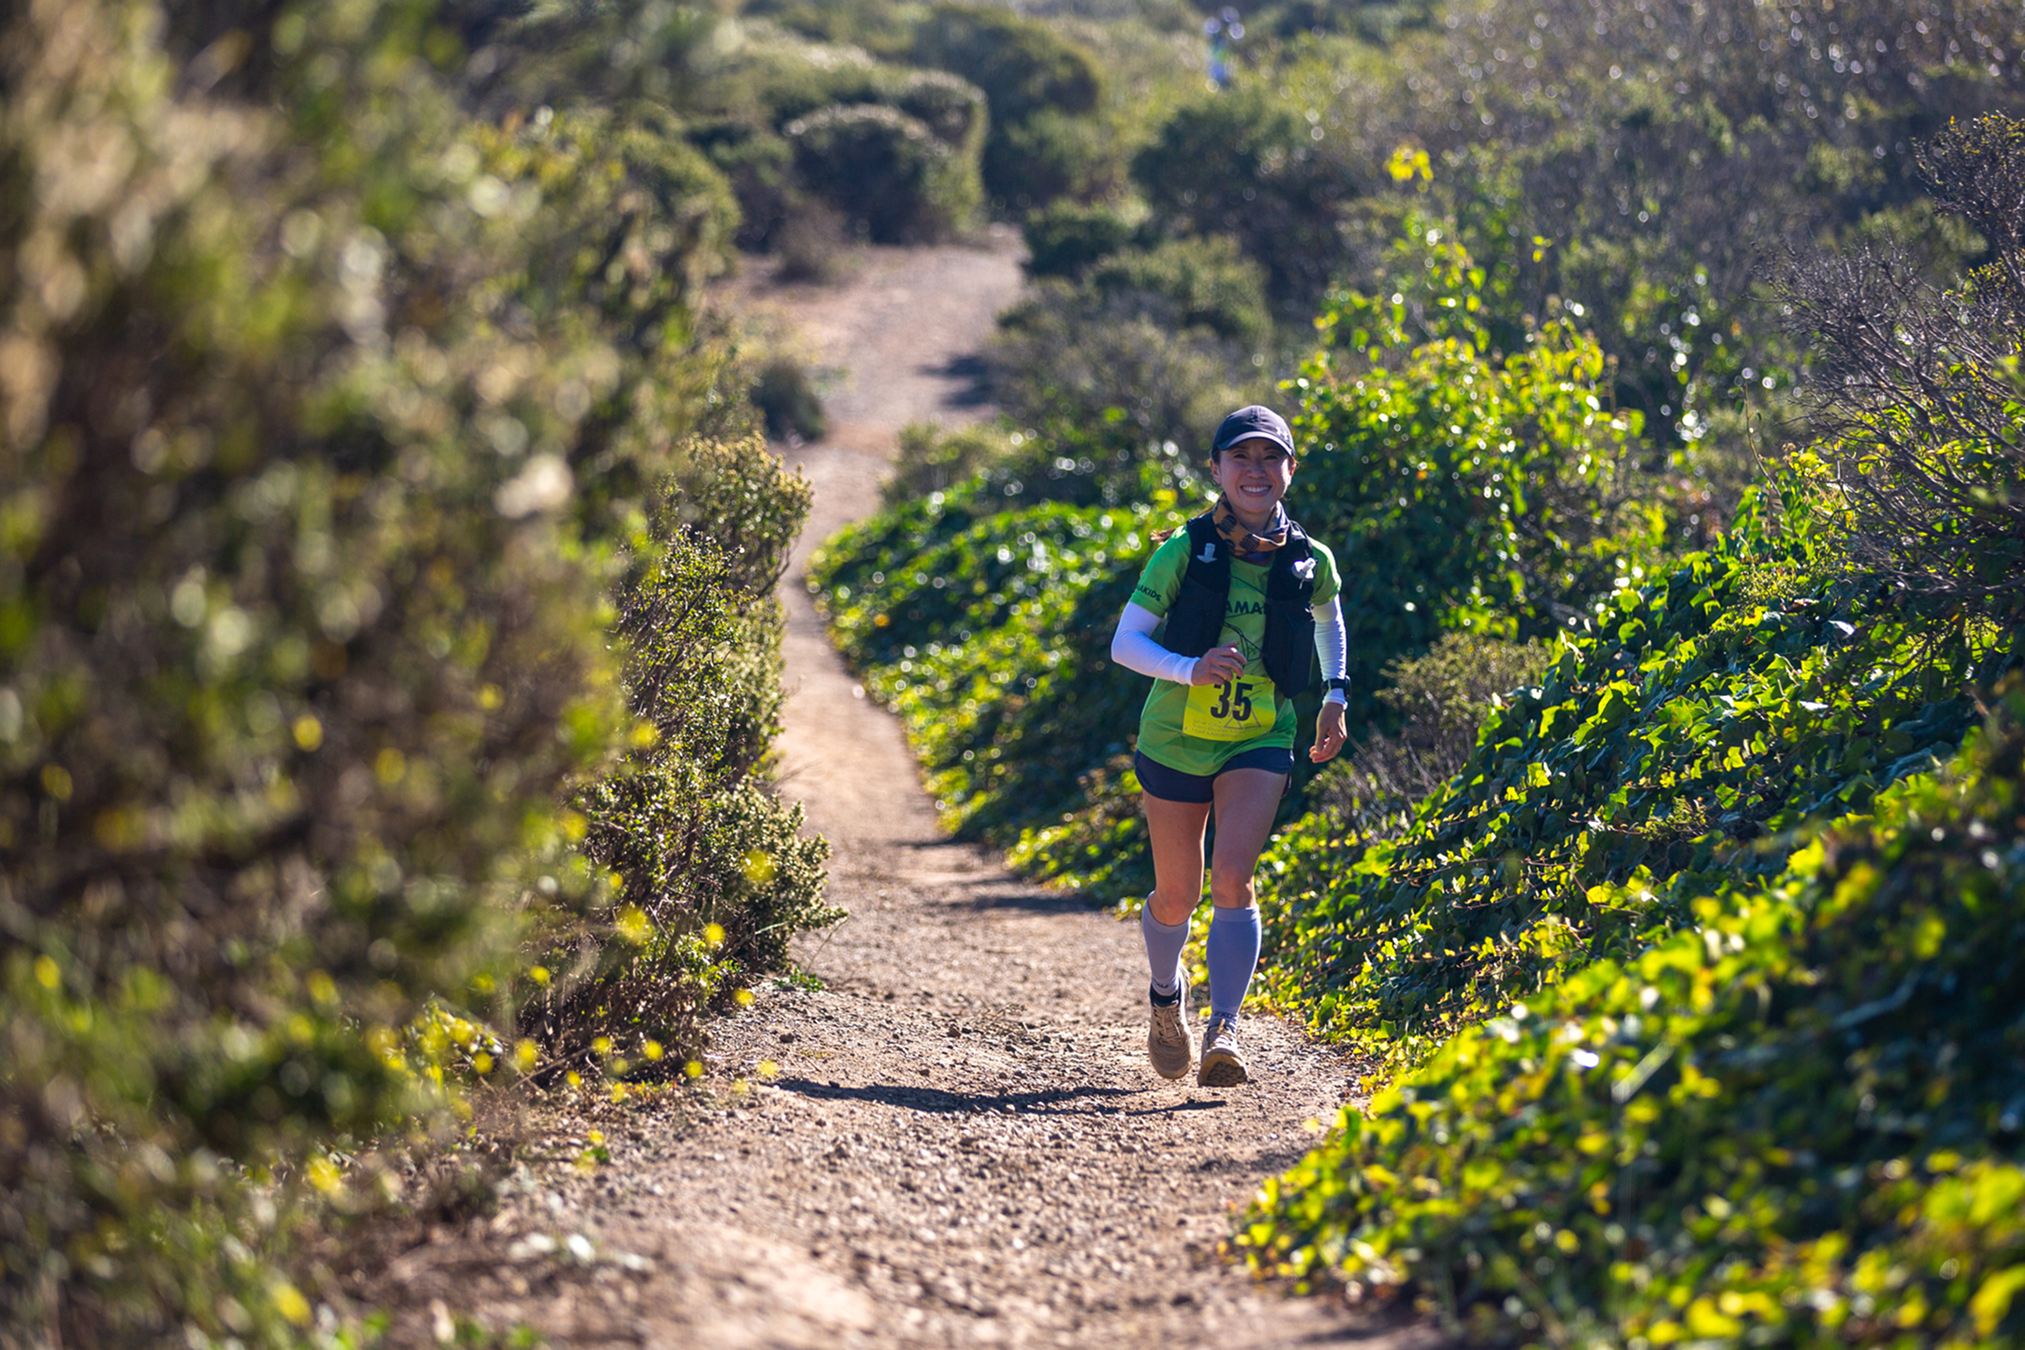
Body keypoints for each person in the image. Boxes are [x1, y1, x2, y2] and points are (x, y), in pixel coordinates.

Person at [1108, 405, 1349, 1087]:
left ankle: (1226, 1030)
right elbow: (1125, 644)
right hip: (1175, 737)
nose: (1255, 470)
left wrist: (1336, 693)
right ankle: (1165, 997)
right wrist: (1191, 668)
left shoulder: (1309, 558)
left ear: (1289, 471)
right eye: (1239, 457)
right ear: (1215, 470)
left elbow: (1331, 622)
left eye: (1269, 457)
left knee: (1231, 879)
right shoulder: (1184, 549)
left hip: (1260, 734)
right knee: (1177, 895)